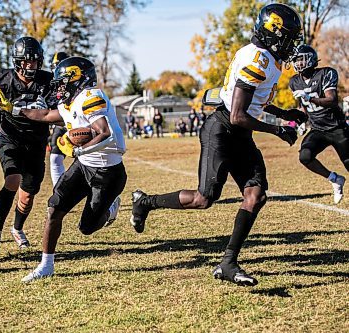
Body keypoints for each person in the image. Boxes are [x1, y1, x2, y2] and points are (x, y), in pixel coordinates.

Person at [130, 3, 304, 286]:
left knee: (256, 195)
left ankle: (228, 263)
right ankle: (145, 201)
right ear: (272, 33)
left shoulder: (266, 58)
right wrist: (277, 129)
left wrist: (284, 114)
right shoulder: (256, 59)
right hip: (222, 129)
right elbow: (237, 115)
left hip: (238, 131)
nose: (291, 44)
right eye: (287, 36)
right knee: (204, 199)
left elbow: (255, 101)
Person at [20, 56, 127, 282]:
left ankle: (110, 209)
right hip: (85, 166)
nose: (58, 86)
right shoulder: (69, 102)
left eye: (62, 81)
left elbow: (104, 133)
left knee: (86, 228)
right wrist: (18, 110)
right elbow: (47, 115)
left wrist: (78, 150)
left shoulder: (90, 97)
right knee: (54, 209)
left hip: (108, 172)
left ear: (77, 80)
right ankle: (46, 265)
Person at [0, 37, 54, 255]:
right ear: (18, 61)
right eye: (27, 61)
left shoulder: (48, 82)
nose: (31, 65)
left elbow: (57, 113)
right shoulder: (1, 79)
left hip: (36, 141)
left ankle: (17, 228)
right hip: (10, 137)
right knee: (12, 179)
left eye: (35, 61)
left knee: (28, 195)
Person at [288, 44, 347, 204]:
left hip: (337, 128)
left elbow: (332, 100)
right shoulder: (294, 81)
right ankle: (335, 179)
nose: (298, 63)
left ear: (311, 59)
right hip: (318, 129)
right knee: (305, 156)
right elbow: (304, 108)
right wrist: (296, 123)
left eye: (301, 59)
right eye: (296, 60)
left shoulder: (326, 73)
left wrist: (310, 98)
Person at [48, 51, 70, 186]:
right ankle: (59, 194)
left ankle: (108, 196)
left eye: (59, 66)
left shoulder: (75, 81)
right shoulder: (51, 84)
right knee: (55, 159)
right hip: (61, 124)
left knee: (87, 162)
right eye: (55, 66)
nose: (56, 69)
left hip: (79, 124)